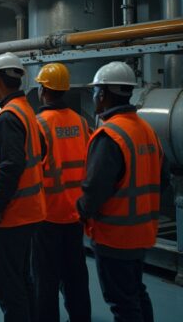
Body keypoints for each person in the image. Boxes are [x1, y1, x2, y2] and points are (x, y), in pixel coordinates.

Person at [78, 61, 168, 321]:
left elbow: (95, 190)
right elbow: (162, 180)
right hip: (142, 232)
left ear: (103, 94)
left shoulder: (110, 135)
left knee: (122, 304)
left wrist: (81, 210)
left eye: (96, 91)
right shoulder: (146, 130)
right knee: (136, 293)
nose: (94, 96)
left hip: (115, 237)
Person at [0, 52, 47, 322]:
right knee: (22, 279)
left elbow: (11, 166)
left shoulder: (9, 117)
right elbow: (41, 150)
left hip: (10, 215)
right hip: (28, 211)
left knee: (7, 285)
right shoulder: (26, 111)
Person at [32, 63, 91, 322]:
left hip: (47, 215)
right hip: (75, 214)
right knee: (75, 275)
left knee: (45, 280)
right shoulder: (81, 123)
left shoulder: (39, 125)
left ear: (43, 89)